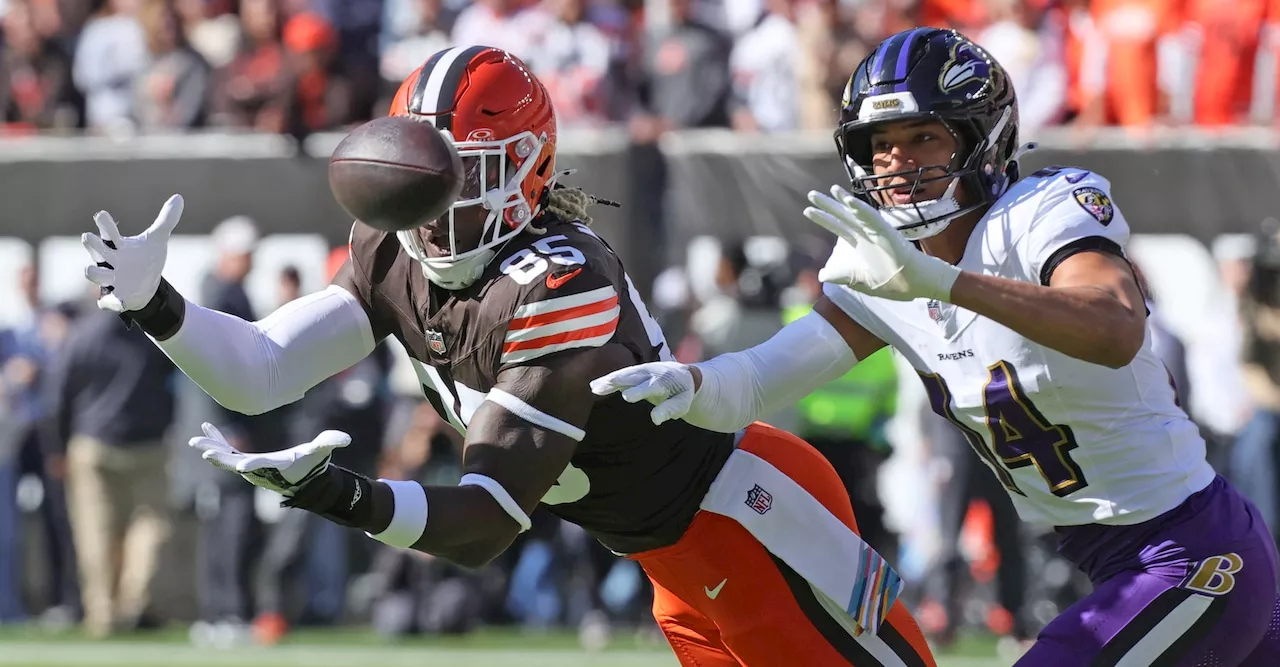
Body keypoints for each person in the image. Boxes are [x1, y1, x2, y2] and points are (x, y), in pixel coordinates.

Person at [79, 46, 935, 667]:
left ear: (528, 166)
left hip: (751, 526)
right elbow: (262, 368)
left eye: (463, 172)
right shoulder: (390, 249)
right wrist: (159, 306)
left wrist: (338, 494)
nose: (433, 202)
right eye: (421, 173)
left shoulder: (562, 282)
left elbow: (485, 522)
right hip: (671, 559)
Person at [593, 28, 1280, 667]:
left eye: (924, 137)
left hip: (1191, 552)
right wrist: (693, 386)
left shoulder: (1041, 211)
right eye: (880, 144)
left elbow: (1114, 326)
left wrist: (945, 283)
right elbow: (760, 380)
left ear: (983, 139)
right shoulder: (883, 261)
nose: (899, 163)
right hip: (1107, 557)